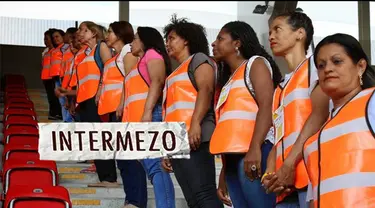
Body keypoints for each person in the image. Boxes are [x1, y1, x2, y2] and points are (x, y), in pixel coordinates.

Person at [262, 11, 330, 208]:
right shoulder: (281, 87)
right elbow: (278, 136)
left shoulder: (315, 67)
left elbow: (320, 115)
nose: (271, 36)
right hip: (285, 184)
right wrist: (270, 173)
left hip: (311, 177)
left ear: (300, 33)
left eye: (277, 29)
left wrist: (290, 164)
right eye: (270, 31)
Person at [210, 21, 282, 208]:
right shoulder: (228, 80)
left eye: (220, 38)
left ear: (237, 43)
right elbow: (229, 130)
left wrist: (255, 148)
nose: (213, 43)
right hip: (233, 159)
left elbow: (267, 106)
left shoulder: (255, 64)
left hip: (255, 152)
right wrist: (224, 171)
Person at [304, 33, 375, 207]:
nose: (327, 69)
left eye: (337, 61)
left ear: (360, 67)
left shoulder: (372, 101)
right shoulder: (315, 140)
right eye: (321, 65)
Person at [161, 14, 223, 208]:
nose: (167, 43)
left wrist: (195, 124)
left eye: (171, 38)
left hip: (195, 137)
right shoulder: (174, 73)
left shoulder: (199, 59)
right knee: (193, 200)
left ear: (186, 39)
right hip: (178, 141)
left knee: (204, 195)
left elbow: (206, 89)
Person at [122, 26, 176, 208]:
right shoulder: (140, 61)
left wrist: (147, 112)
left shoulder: (152, 54)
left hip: (152, 115)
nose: (131, 42)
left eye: (135, 38)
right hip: (143, 118)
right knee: (153, 168)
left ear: (145, 40)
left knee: (156, 168)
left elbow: (158, 81)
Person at [60, 21, 118, 187]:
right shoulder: (85, 53)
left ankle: (109, 177)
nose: (80, 33)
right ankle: (103, 177)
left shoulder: (101, 47)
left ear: (93, 33)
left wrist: (101, 89)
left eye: (83, 30)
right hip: (84, 101)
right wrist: (72, 99)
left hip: (96, 100)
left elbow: (109, 69)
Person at [99, 20, 148, 208]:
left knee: (130, 159)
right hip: (115, 111)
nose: (107, 35)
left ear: (119, 34)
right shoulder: (117, 54)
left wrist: (121, 104)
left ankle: (136, 201)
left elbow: (130, 81)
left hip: (124, 111)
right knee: (122, 159)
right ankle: (130, 199)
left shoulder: (128, 50)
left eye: (110, 32)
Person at [41, 29, 61, 120]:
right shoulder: (46, 52)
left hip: (53, 77)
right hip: (46, 78)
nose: (46, 41)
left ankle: (57, 113)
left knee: (55, 97)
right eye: (44, 39)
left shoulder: (56, 51)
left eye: (47, 39)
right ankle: (53, 112)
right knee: (50, 97)